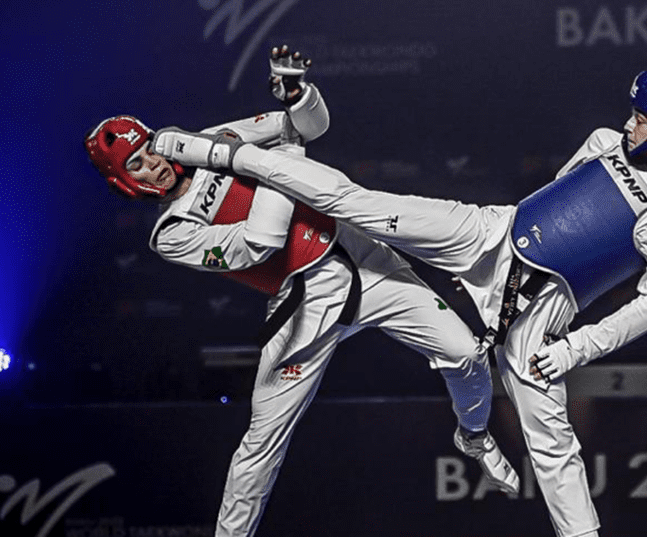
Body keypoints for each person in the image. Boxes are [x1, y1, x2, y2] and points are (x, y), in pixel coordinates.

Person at [151, 64, 647, 537]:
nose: (629, 123)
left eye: (641, 118)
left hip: (543, 318)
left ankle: (481, 439)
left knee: (555, 450)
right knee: (357, 201)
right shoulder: (604, 142)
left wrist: (574, 350)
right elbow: (553, 205)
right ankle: (213, 152)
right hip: (489, 234)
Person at [83, 47, 518, 537]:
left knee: (466, 354)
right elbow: (259, 245)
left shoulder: (209, 142)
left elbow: (309, 128)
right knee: (262, 442)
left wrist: (298, 97)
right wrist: (277, 162)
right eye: (137, 164)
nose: (155, 164)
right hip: (304, 303)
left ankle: (475, 438)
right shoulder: (172, 232)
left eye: (151, 148)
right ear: (125, 182)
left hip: (365, 259)